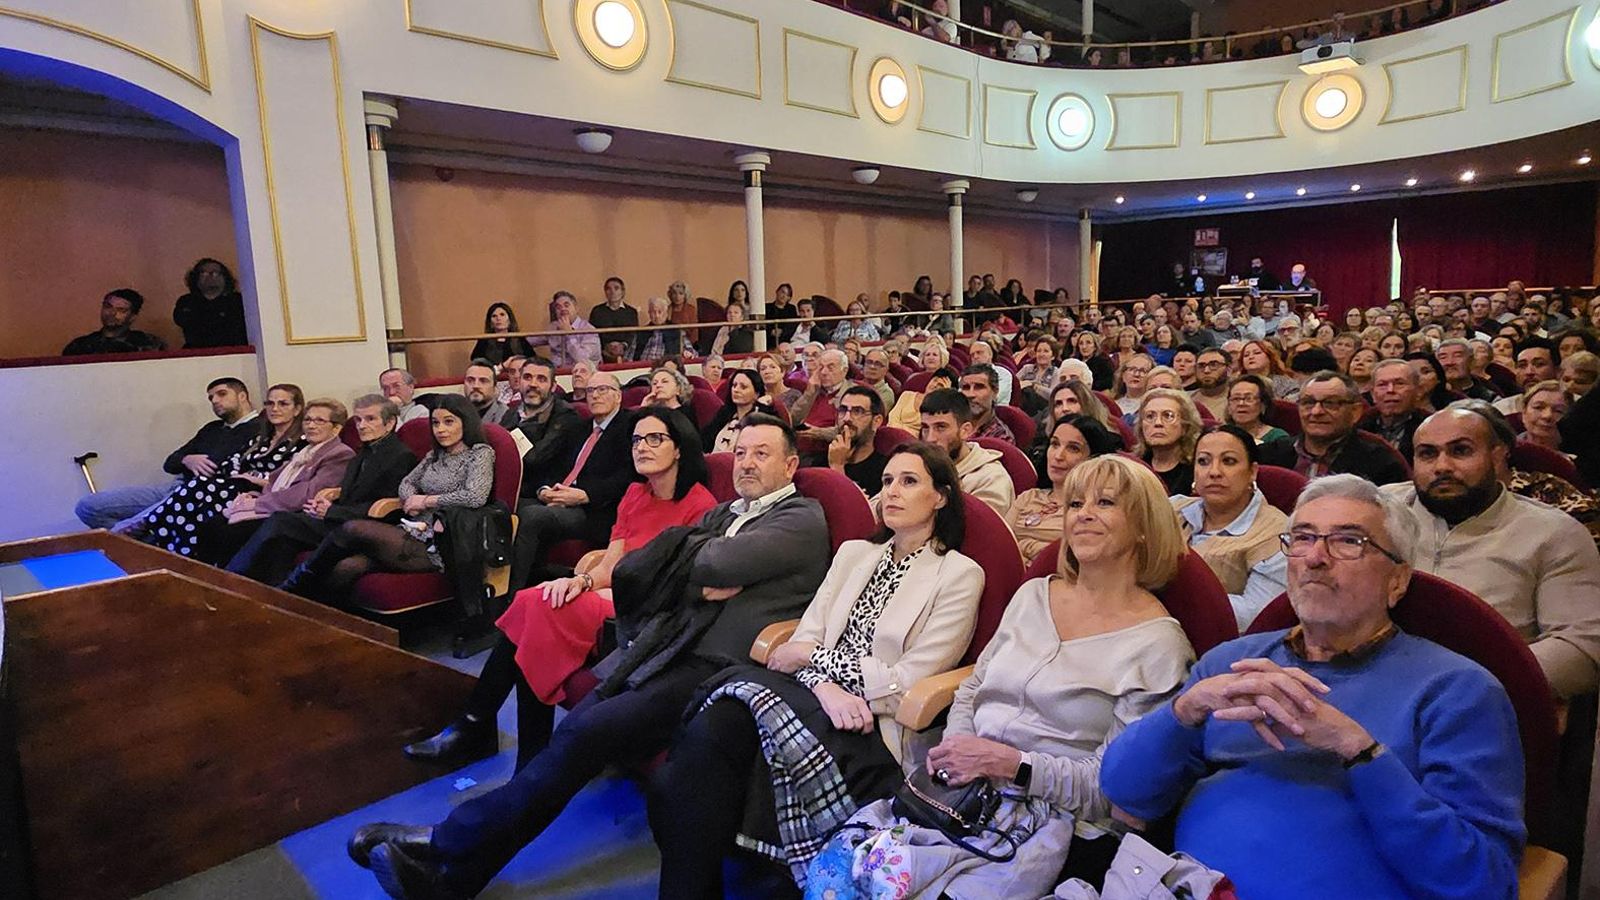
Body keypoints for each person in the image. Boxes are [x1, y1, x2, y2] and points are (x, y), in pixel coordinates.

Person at [351, 415, 832, 897]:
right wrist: (686, 563)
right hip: (663, 647)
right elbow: (643, 566)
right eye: (742, 452)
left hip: (715, 668)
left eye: (762, 453)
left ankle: (443, 845)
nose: (746, 463)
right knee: (573, 739)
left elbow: (710, 562)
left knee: (582, 736)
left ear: (791, 464)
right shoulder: (726, 515)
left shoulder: (800, 518)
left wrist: (681, 560)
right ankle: (453, 876)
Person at [1102, 474, 1525, 900]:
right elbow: (1124, 792)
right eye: (1302, 538)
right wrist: (1185, 712)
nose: (1315, 558)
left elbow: (1481, 881)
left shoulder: (1456, 691)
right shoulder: (1231, 664)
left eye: (1349, 541)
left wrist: (1358, 750)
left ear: (1397, 580)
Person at [810, 455, 1195, 899]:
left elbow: (1115, 791)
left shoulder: (1160, 647)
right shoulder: (1034, 594)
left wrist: (1011, 765)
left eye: (1105, 503)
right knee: (839, 875)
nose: (1084, 514)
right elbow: (974, 686)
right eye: (1074, 504)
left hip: (1054, 822)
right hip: (961, 792)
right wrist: (958, 748)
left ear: (1144, 525)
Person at [652, 442, 983, 896]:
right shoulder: (854, 554)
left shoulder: (959, 574)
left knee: (698, 759)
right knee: (700, 747)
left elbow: (907, 680)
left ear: (941, 496)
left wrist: (815, 664)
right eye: (887, 482)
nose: (892, 492)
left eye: (909, 482)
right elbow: (803, 640)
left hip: (871, 724)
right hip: (814, 698)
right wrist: (825, 685)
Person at [403, 408, 718, 769]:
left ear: (679, 448)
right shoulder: (634, 493)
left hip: (649, 607)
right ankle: (515, 752)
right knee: (534, 602)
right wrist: (579, 581)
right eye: (635, 440)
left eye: (654, 439)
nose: (641, 447)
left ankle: (478, 727)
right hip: (609, 593)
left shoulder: (699, 504)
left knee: (534, 610)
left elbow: (680, 583)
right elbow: (610, 562)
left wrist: (599, 591)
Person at [1381, 407, 1600, 697]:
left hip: (1490, 700)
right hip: (1373, 683)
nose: (1442, 466)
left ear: (1498, 455)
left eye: (1460, 451)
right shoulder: (1380, 510)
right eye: (1427, 454)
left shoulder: (1554, 532)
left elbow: (1581, 646)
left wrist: (1469, 685)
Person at [226, 395, 418, 586]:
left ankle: (231, 579)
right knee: (283, 540)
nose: (361, 425)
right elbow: (349, 492)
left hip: (366, 528)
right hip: (341, 517)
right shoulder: (365, 451)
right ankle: (276, 598)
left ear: (390, 422)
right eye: (358, 419)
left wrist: (331, 510)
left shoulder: (400, 456)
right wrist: (325, 503)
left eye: (370, 419)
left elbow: (384, 507)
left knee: (281, 520)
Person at [135, 384, 307, 557]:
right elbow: (234, 461)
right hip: (231, 484)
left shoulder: (301, 442)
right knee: (198, 497)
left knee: (200, 489)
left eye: (283, 404)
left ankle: (153, 536)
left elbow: (289, 476)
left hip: (258, 491)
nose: (275, 409)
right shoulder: (262, 437)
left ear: (297, 409)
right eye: (270, 403)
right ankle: (169, 550)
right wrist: (235, 474)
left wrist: (251, 477)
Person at [505, 372, 636, 595]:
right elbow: (553, 467)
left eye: (602, 389)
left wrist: (585, 495)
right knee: (509, 506)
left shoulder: (630, 426)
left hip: (595, 508)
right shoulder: (579, 428)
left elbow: (630, 477)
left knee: (533, 517)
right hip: (561, 498)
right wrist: (544, 490)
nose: (595, 396)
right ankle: (514, 587)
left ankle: (511, 598)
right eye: (590, 391)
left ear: (618, 396)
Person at [75, 377, 259, 530]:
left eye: (222, 394)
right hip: (173, 486)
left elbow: (215, 464)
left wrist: (193, 461)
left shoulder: (259, 427)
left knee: (122, 530)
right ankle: (145, 545)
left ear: (242, 396)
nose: (215, 401)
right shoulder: (212, 429)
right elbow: (170, 463)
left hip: (199, 494)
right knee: (88, 507)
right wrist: (187, 459)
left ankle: (137, 543)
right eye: (211, 398)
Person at [188, 398, 355, 565]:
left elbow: (307, 494)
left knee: (229, 532)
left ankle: (228, 583)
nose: (311, 426)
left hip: (297, 516)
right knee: (211, 524)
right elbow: (276, 483)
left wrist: (258, 503)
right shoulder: (306, 450)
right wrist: (253, 496)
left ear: (336, 428)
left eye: (320, 421)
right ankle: (202, 580)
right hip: (274, 506)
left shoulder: (339, 454)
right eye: (308, 420)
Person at [1172, 425, 1289, 629]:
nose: (1214, 472)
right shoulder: (1172, 509)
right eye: (1203, 461)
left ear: (1252, 472)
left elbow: (1255, 615)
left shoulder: (1276, 533)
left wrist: (1169, 597)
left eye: (1229, 461)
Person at [1006, 414, 1119, 565]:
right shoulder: (1028, 497)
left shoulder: (1093, 510)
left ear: (1093, 459)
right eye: (1054, 444)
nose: (1058, 456)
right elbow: (1000, 545)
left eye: (1073, 448)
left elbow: (1072, 558)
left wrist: (1023, 547)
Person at [1260, 372, 1410, 485]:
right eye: (1308, 402)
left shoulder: (1382, 464)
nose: (1316, 411)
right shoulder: (1268, 455)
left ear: (1355, 412)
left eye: (1330, 403)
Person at [919, 388, 1014, 516]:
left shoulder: (991, 479)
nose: (930, 438)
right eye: (925, 428)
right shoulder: (916, 463)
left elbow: (975, 532)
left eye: (941, 427)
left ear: (965, 430)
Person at [504, 358, 587, 491]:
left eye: (541, 379)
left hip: (544, 492)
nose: (533, 384)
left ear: (553, 386)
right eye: (527, 377)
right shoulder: (510, 413)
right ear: (519, 382)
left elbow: (535, 459)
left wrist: (510, 441)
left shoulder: (566, 416)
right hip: (512, 487)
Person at [814, 386, 889, 496]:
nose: (846, 418)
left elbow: (857, 511)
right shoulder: (820, 460)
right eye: (843, 410)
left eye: (858, 411)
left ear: (876, 421)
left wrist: (837, 467)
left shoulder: (885, 470)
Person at [1136, 387, 1203, 496]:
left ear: (1185, 426)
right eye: (1150, 416)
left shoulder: (1197, 469)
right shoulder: (1134, 467)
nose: (1158, 423)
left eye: (1168, 416)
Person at [62, 289, 168, 355]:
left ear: (133, 316)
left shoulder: (150, 344)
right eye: (108, 307)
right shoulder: (79, 347)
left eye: (121, 310)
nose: (112, 313)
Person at [1359, 358, 1426, 461]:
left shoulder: (1430, 427)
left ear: (1418, 391)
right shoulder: (1358, 426)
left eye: (1399, 383)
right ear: (1372, 394)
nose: (1390, 390)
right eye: (1382, 385)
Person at [172, 257, 247, 348]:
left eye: (215, 273)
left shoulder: (237, 301)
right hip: (197, 354)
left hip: (233, 354)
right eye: (203, 273)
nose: (210, 277)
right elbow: (187, 324)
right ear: (196, 278)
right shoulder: (186, 302)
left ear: (225, 278)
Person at [701, 369, 775, 454]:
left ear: (757, 393)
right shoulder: (724, 414)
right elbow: (704, 442)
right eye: (734, 385)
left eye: (743, 387)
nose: (736, 390)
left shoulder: (762, 418)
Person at [529, 291, 602, 369]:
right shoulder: (553, 327)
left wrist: (569, 333)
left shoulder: (589, 330)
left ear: (576, 308)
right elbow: (532, 340)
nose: (563, 309)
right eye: (558, 307)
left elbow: (582, 359)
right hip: (556, 372)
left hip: (580, 373)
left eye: (566, 305)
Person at [1493, 338, 1559, 415]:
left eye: (1539, 364)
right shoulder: (1502, 410)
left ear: (1557, 370)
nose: (1529, 372)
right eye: (1522, 365)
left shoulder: (1573, 408)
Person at [889, 365, 955, 434]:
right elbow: (892, 419)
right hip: (892, 434)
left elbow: (927, 435)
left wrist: (947, 395)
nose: (935, 385)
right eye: (934, 380)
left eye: (940, 385)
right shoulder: (907, 395)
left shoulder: (940, 410)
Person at [1225, 374, 1289, 445]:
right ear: (1228, 407)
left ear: (1263, 405)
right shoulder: (1220, 436)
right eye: (1236, 398)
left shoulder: (1278, 439)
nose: (1241, 403)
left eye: (1249, 398)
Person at [960, 363, 1015, 443]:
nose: (970, 394)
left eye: (979, 387)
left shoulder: (1001, 438)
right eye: (966, 387)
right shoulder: (952, 425)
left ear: (995, 392)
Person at [589, 276, 639, 363]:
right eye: (609, 289)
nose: (612, 292)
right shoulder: (597, 311)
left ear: (623, 292)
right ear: (605, 292)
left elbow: (633, 334)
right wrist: (606, 346)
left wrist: (623, 346)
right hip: (603, 352)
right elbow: (592, 333)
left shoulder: (631, 312)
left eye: (616, 288)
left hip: (625, 353)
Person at [469, 302, 535, 367]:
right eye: (494, 316)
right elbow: (476, 361)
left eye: (502, 315)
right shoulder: (484, 340)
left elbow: (531, 359)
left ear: (509, 320)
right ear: (490, 322)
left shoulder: (519, 339)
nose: (498, 318)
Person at [632, 295, 688, 362]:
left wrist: (687, 353)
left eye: (659, 312)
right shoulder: (642, 331)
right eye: (653, 312)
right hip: (643, 366)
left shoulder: (676, 329)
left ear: (666, 313)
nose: (656, 316)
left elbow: (691, 350)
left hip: (664, 367)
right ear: (649, 313)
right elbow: (630, 354)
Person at [1187, 347, 1231, 422]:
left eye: (1214, 365)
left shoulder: (1237, 400)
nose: (1206, 371)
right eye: (1201, 366)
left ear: (1229, 370)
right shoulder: (1185, 399)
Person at [462, 359, 509, 426]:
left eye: (483, 381)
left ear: (495, 387)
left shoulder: (505, 416)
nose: (476, 386)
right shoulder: (455, 412)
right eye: (470, 380)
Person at [966, 339, 1014, 406]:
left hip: (998, 412)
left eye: (979, 352)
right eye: (972, 355)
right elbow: (962, 400)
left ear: (990, 355)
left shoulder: (1003, 374)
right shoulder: (966, 377)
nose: (975, 357)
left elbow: (995, 398)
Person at [1016, 336, 1059, 402]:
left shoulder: (1056, 372)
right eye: (1039, 351)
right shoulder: (1027, 368)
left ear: (1053, 356)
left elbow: (1054, 394)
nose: (1041, 354)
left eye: (1046, 351)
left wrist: (1034, 386)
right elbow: (1013, 384)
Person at [1112, 352, 1154, 419]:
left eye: (1143, 371)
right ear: (1123, 375)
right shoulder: (1111, 404)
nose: (1136, 374)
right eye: (1132, 369)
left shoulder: (1154, 405)